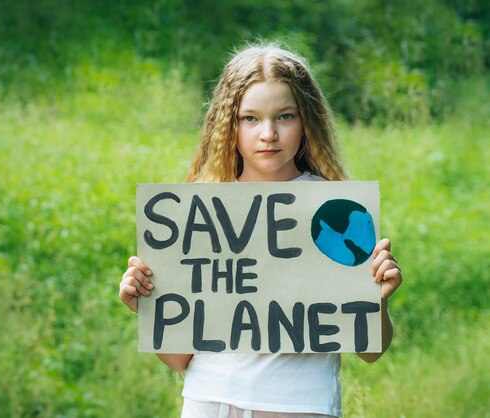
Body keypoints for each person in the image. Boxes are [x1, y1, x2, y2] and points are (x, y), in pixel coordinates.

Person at [119, 43, 403, 418]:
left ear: (307, 121)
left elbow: (371, 351)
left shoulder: (335, 211)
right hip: (208, 401)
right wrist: (147, 305)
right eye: (249, 118)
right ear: (227, 124)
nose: (268, 133)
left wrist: (376, 301)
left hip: (299, 406)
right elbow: (177, 359)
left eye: (285, 116)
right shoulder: (200, 211)